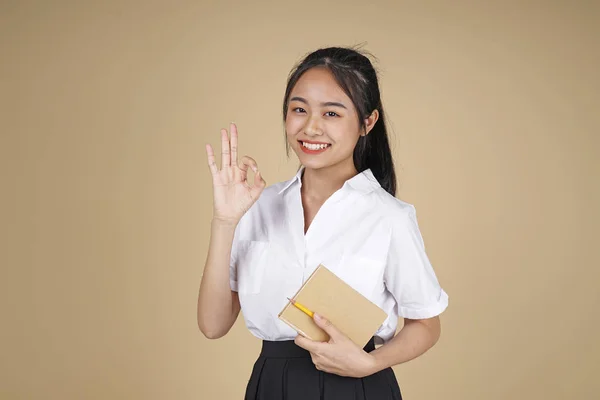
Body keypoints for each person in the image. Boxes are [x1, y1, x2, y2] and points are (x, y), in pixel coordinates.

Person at [197, 46, 449, 400]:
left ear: (367, 122)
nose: (311, 127)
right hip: (272, 385)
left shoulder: (389, 216)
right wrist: (224, 221)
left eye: (332, 113)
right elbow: (212, 325)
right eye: (299, 109)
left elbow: (426, 324)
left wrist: (370, 364)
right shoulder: (257, 204)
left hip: (358, 386)